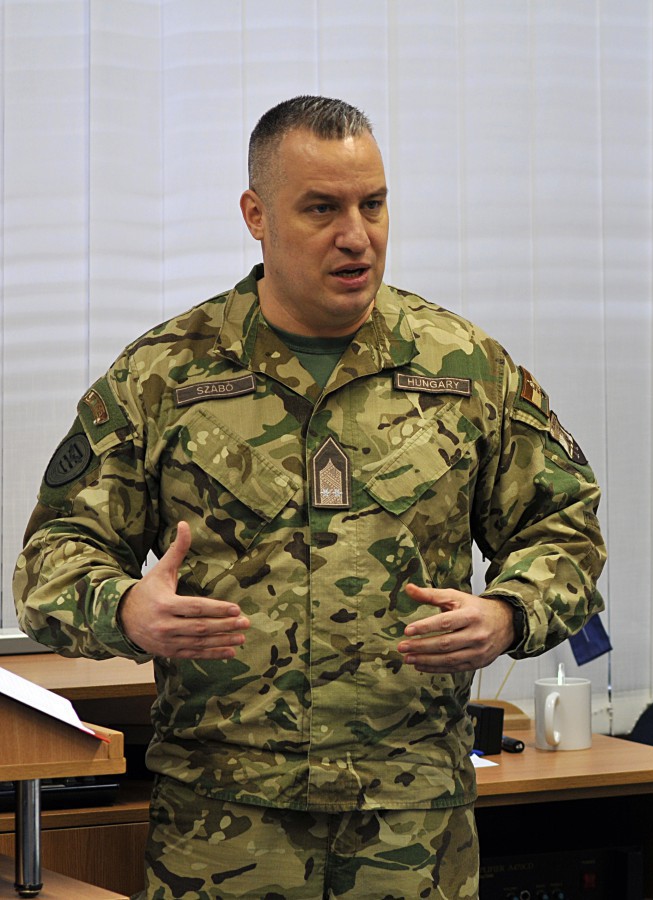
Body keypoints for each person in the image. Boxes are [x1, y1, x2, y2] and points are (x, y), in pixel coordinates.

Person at [13, 95, 606, 899]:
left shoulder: (463, 369)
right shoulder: (166, 375)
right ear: (256, 215)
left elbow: (563, 527)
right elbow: (51, 560)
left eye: (373, 204)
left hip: (412, 829)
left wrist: (507, 613)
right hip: (223, 832)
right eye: (322, 208)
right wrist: (125, 609)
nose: (356, 235)